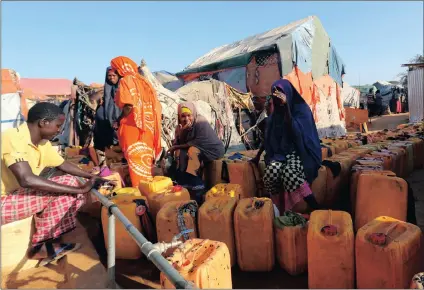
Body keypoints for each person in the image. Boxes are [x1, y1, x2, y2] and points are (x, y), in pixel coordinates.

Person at [1, 102, 110, 266]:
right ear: (43, 123)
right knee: (70, 187)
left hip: (15, 194)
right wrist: (79, 188)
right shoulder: (12, 138)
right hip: (3, 201)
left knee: (70, 185)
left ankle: (48, 238)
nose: (60, 130)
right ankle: (40, 246)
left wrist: (91, 177)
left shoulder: (41, 143)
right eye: (58, 126)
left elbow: (62, 164)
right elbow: (27, 179)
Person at [260, 79, 322, 212]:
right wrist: (258, 156)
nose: (278, 99)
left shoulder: (301, 110)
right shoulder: (276, 114)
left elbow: (296, 132)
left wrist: (286, 106)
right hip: (281, 152)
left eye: (280, 94)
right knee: (271, 171)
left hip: (301, 151)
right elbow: (268, 136)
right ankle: (278, 209)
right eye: (274, 95)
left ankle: (315, 207)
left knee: (289, 173)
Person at [110, 56, 162, 186]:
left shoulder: (126, 81)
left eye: (115, 69)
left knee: (136, 165)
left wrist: (119, 119)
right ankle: (148, 195)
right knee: (145, 165)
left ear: (121, 69)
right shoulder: (144, 82)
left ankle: (140, 200)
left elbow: (128, 105)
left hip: (134, 129)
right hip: (147, 129)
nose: (114, 71)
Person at [167, 102, 225, 191]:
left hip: (213, 150)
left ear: (193, 114)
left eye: (189, 115)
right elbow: (178, 144)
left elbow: (197, 143)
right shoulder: (179, 127)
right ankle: (183, 178)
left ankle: (196, 181)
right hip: (198, 150)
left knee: (192, 150)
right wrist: (183, 131)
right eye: (183, 116)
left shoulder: (201, 122)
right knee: (180, 152)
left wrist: (175, 147)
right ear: (179, 116)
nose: (186, 119)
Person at [94, 67, 121, 153]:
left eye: (114, 75)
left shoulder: (123, 87)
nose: (111, 77)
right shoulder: (107, 88)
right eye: (109, 75)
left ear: (119, 76)